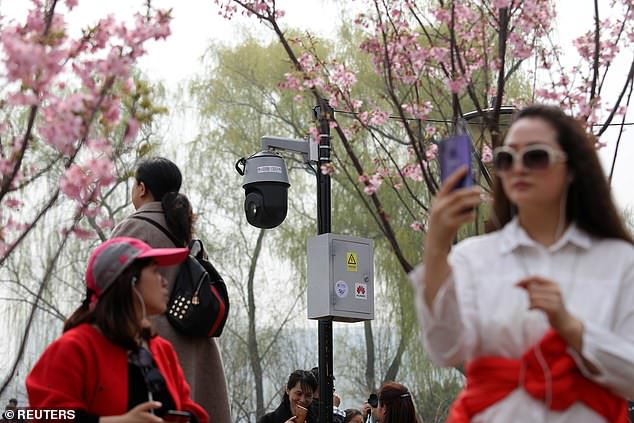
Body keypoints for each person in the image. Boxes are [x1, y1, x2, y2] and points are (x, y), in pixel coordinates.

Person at [412, 104, 634, 422]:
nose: (518, 167)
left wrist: (572, 328)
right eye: (506, 158)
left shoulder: (620, 261)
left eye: (535, 156)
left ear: (571, 167)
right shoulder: (474, 258)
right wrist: (435, 247)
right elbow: (444, 349)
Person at [26, 237, 207, 423]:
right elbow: (42, 413)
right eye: (155, 271)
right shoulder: (74, 347)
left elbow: (189, 409)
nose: (164, 282)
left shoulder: (162, 349)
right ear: (130, 282)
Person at [112, 157, 231, 422]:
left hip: (152, 341)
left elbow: (110, 283)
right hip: (196, 346)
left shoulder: (132, 227)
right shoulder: (186, 232)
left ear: (141, 188)